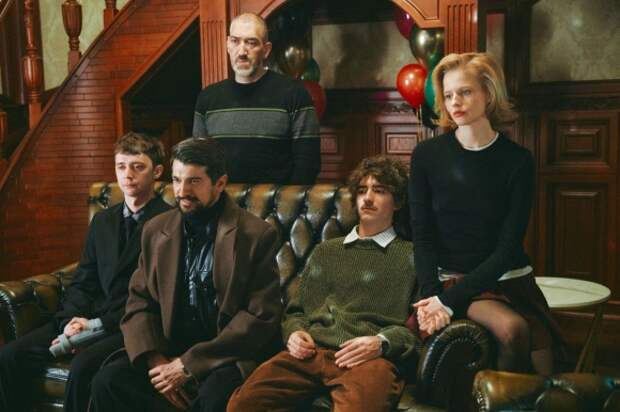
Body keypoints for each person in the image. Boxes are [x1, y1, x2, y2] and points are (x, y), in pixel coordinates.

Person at [90, 137, 282, 412]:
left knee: (213, 400)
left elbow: (260, 316)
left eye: (194, 181)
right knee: (108, 382)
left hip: (223, 356)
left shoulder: (256, 234)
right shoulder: (155, 229)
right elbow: (139, 301)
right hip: (168, 350)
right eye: (177, 180)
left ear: (220, 183)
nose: (182, 191)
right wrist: (156, 361)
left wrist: (188, 365)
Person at [227, 156, 417, 412]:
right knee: (242, 404)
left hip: (369, 359)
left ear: (399, 201)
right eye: (362, 191)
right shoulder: (327, 251)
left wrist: (382, 342)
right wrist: (294, 333)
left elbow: (416, 333)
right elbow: (296, 312)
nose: (368, 198)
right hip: (312, 353)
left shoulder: (412, 256)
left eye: (380, 191)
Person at [409, 52, 560, 375]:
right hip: (451, 279)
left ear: (488, 93)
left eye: (465, 92)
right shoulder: (426, 155)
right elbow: (422, 236)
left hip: (509, 279)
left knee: (546, 374)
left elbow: (508, 248)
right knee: (512, 330)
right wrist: (433, 297)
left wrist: (447, 302)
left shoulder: (518, 160)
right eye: (448, 94)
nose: (455, 102)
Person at [0, 132, 171, 412]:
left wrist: (94, 326)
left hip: (125, 324)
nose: (127, 175)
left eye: (138, 167)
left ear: (158, 171)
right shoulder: (103, 220)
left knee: (82, 368)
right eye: (121, 166)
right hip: (84, 317)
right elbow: (83, 280)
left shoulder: (169, 223)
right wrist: (71, 321)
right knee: (9, 356)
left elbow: (156, 298)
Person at [192, 13, 321, 185]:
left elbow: (308, 163)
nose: (242, 52)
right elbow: (198, 161)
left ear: (266, 50)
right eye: (235, 41)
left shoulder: (294, 93)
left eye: (251, 43)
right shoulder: (208, 98)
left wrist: (286, 201)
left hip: (277, 201)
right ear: (228, 45)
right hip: (222, 199)